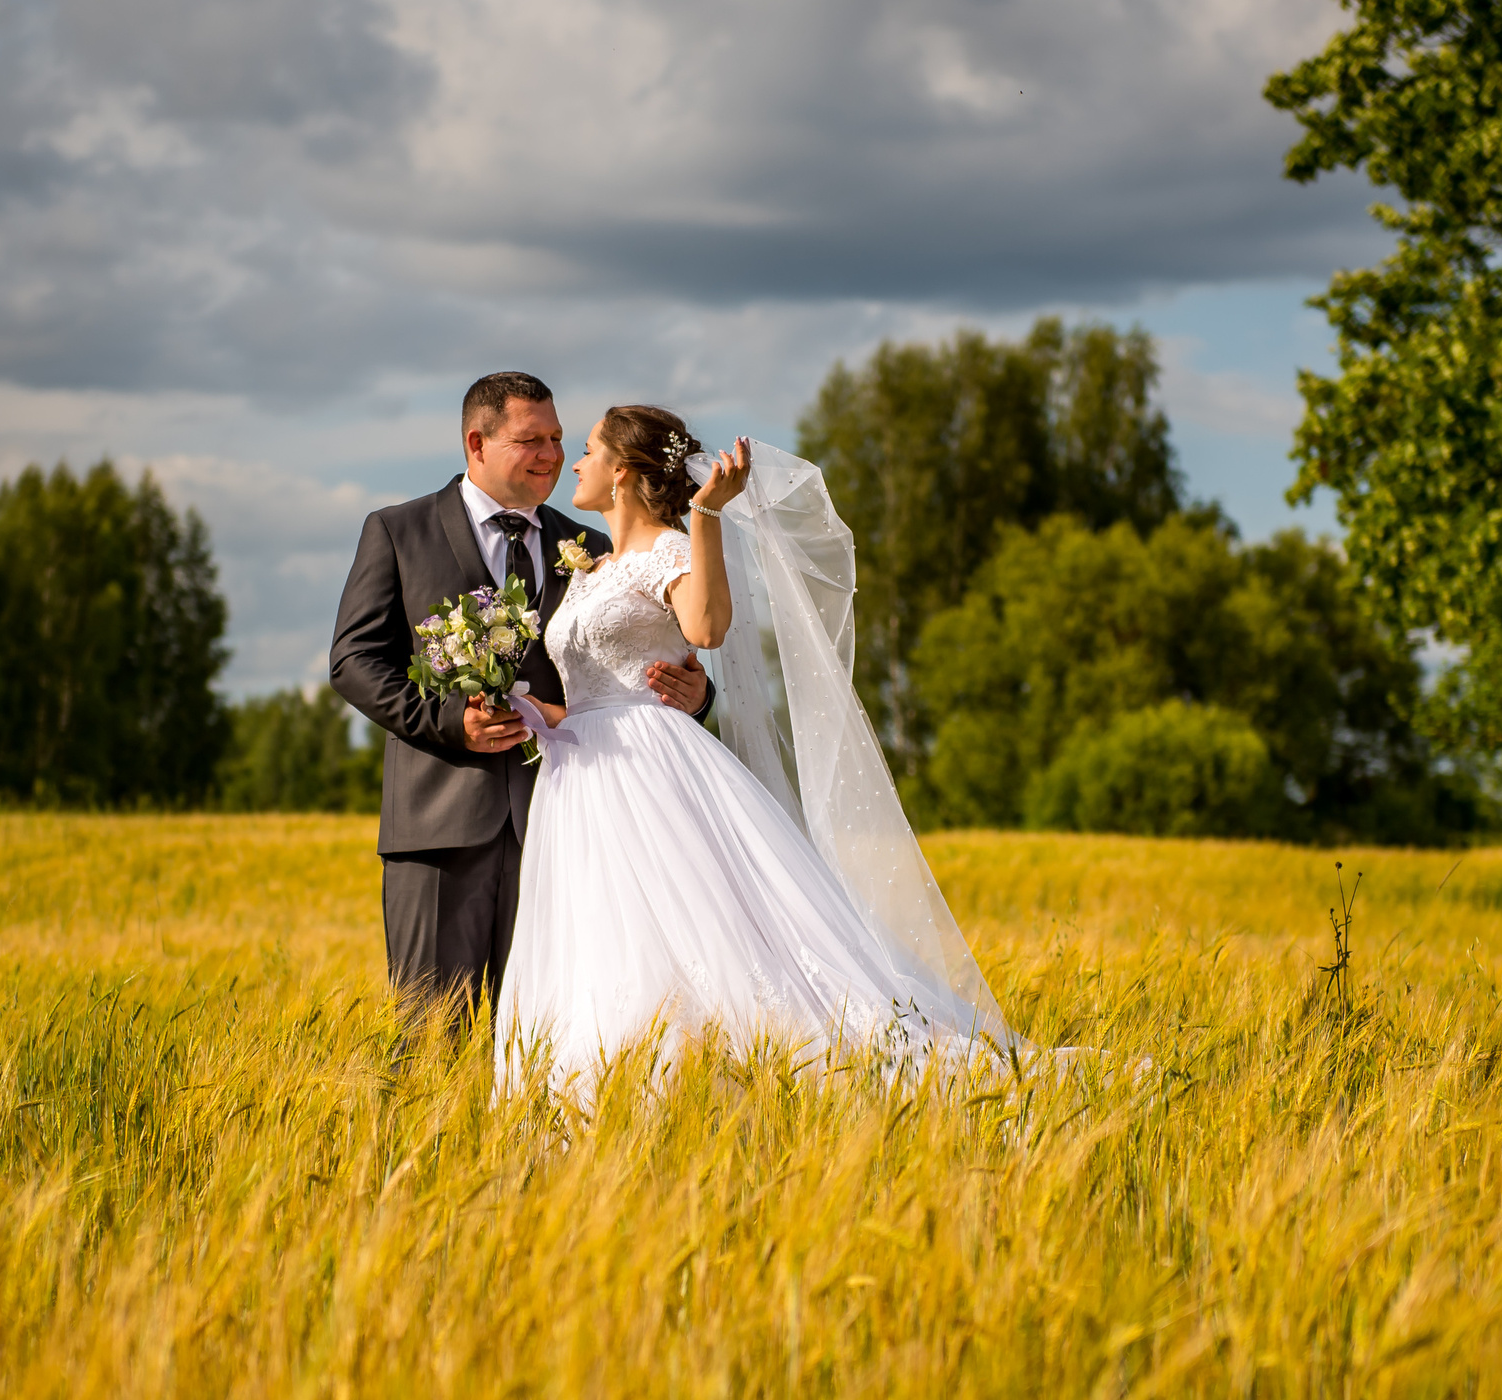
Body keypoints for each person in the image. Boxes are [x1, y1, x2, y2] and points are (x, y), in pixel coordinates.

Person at [496, 404, 1002, 1093]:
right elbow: (590, 689)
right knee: (602, 936)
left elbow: (705, 627)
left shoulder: (671, 549)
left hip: (650, 773)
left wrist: (705, 515)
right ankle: (608, 1089)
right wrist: (525, 709)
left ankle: (724, 1074)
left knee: (691, 929)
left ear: (621, 472)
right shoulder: (588, 567)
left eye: (586, 450)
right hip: (579, 776)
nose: (575, 464)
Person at [328, 372, 714, 1010]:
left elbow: (631, 674)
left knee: (549, 1029)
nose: (554, 455)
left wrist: (695, 696)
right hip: (440, 822)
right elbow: (354, 660)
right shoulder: (400, 530)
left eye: (559, 438)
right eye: (531, 440)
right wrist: (451, 722)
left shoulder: (592, 546)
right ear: (477, 444)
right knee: (430, 1031)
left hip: (569, 824)